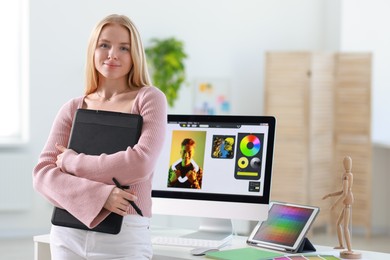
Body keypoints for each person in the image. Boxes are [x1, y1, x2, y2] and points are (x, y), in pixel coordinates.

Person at [32, 14, 167, 260]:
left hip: (125, 236)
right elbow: (42, 176)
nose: (112, 54)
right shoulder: (73, 108)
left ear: (135, 53)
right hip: (67, 234)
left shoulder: (148, 99)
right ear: (92, 50)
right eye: (104, 45)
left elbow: (141, 163)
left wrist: (72, 162)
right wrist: (101, 196)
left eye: (123, 48)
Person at [322, 156, 361, 259]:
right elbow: (342, 191)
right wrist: (330, 195)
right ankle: (341, 245)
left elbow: (344, 194)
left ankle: (349, 249)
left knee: (345, 227)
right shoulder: (349, 175)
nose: (347, 165)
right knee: (338, 223)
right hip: (347, 202)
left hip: (347, 203)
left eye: (348, 163)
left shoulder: (346, 176)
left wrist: (334, 205)